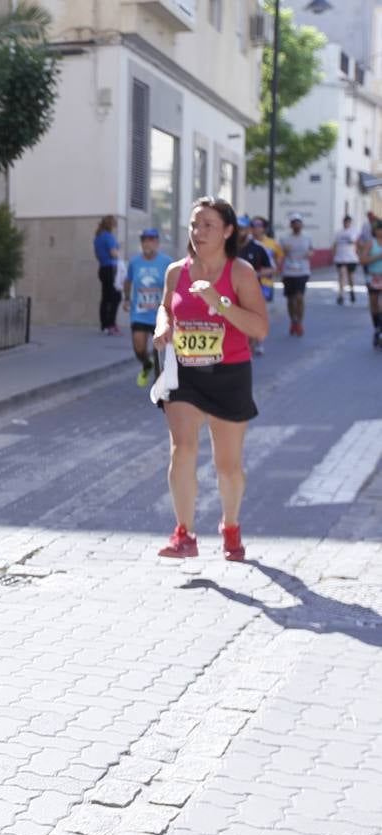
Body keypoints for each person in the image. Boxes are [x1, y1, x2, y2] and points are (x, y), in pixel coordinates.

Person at [154, 197, 269, 562]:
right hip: (185, 372)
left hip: (229, 373)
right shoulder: (176, 270)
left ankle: (230, 526)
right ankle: (184, 533)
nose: (198, 232)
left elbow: (260, 328)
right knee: (182, 449)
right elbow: (165, 306)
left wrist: (219, 302)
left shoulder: (240, 273)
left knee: (227, 465)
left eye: (208, 225)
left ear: (228, 231)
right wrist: (162, 326)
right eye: (194, 224)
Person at [123, 227, 174, 386]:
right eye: (145, 240)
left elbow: (173, 284)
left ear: (157, 243)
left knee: (158, 351)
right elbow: (128, 281)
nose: (148, 243)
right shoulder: (135, 262)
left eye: (151, 240)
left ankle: (159, 387)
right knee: (138, 348)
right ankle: (146, 364)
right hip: (139, 312)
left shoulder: (166, 262)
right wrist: (126, 298)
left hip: (160, 314)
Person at [247, 216, 280, 356]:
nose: (256, 228)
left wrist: (260, 273)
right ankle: (249, 342)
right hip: (246, 286)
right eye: (253, 225)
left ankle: (259, 341)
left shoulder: (271, 244)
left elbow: (276, 262)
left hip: (264, 285)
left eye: (259, 225)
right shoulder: (244, 244)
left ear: (264, 228)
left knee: (259, 313)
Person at [279, 213, 313, 336]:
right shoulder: (284, 239)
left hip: (303, 271)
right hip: (289, 272)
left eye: (299, 222)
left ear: (302, 224)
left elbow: (311, 250)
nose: (297, 225)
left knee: (299, 297)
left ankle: (299, 322)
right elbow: (280, 254)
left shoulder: (307, 238)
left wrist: (310, 254)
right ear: (291, 225)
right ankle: (293, 320)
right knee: (290, 299)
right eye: (294, 222)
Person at [94, 215, 122, 335]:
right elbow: (114, 253)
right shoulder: (108, 237)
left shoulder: (98, 237)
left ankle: (104, 325)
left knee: (106, 297)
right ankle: (111, 324)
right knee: (115, 297)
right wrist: (118, 251)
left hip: (102, 268)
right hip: (111, 269)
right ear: (111, 225)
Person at [358, 218, 382, 348]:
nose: (381, 231)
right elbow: (363, 260)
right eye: (379, 229)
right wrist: (378, 257)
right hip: (373, 277)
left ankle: (381, 330)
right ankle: (377, 328)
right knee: (373, 304)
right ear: (375, 230)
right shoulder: (370, 243)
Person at [332, 214, 360, 305]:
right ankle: (341, 295)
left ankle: (352, 290)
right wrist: (334, 255)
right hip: (340, 258)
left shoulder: (354, 232)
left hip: (351, 258)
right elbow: (335, 244)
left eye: (348, 222)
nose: (346, 223)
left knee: (350, 277)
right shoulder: (338, 233)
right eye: (345, 222)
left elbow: (356, 242)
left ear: (350, 223)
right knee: (342, 275)